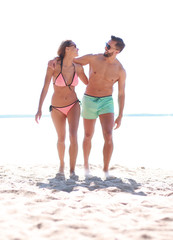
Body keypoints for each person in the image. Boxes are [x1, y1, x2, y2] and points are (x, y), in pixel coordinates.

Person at [74, 35, 126, 178]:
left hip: (106, 102)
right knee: (88, 135)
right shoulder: (93, 58)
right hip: (89, 100)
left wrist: (120, 115)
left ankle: (105, 169)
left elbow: (121, 94)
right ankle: (85, 166)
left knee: (108, 135)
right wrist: (81, 73)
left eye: (109, 47)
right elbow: (72, 61)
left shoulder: (120, 70)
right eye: (106, 44)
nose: (105, 47)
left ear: (117, 51)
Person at [35, 40, 88, 179]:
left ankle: (72, 170)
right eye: (75, 47)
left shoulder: (78, 67)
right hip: (57, 107)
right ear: (67, 49)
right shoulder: (54, 66)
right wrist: (39, 108)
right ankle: (61, 165)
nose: (78, 49)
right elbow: (45, 87)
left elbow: (89, 83)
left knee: (73, 136)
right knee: (61, 138)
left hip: (73, 104)